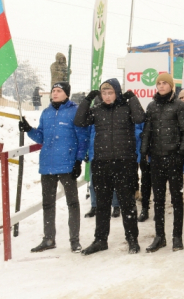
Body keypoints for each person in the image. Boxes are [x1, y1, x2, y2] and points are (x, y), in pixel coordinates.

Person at [74, 78, 146, 255]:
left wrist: (133, 98)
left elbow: (140, 118)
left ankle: (132, 239)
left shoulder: (127, 108)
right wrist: (87, 99)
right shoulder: (96, 110)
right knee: (102, 204)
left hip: (124, 163)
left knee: (127, 204)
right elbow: (79, 121)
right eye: (103, 93)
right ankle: (100, 240)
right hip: (101, 164)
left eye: (110, 93)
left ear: (117, 93)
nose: (107, 97)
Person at [19, 82, 88, 253]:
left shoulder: (75, 111)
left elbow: (83, 137)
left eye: (58, 91)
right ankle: (49, 239)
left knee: (72, 203)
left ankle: (74, 240)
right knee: (48, 204)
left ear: (67, 94)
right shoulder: (46, 112)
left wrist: (78, 161)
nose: (55, 93)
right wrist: (29, 129)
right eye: (53, 91)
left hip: (67, 164)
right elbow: (41, 136)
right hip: (48, 165)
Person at [140, 73, 184, 253]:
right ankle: (159, 236)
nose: (161, 86)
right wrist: (144, 151)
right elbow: (147, 131)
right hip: (156, 159)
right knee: (158, 200)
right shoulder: (152, 106)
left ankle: (177, 237)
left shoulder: (179, 106)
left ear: (171, 86)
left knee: (177, 199)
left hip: (173, 159)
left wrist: (181, 153)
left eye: (164, 83)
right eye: (159, 83)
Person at [84, 122, 121, 219]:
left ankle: (116, 205)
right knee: (93, 184)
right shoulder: (92, 117)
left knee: (113, 182)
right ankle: (94, 206)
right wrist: (86, 152)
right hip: (94, 155)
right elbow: (87, 136)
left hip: (109, 154)